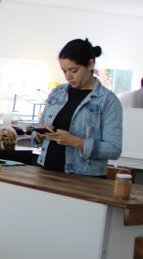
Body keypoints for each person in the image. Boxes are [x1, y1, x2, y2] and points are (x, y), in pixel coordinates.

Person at [33, 38, 122, 177]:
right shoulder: (58, 93)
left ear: (90, 64)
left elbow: (114, 149)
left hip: (84, 179)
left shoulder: (107, 100)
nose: (68, 77)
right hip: (46, 172)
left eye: (74, 70)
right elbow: (38, 131)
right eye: (64, 71)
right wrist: (39, 134)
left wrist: (75, 141)